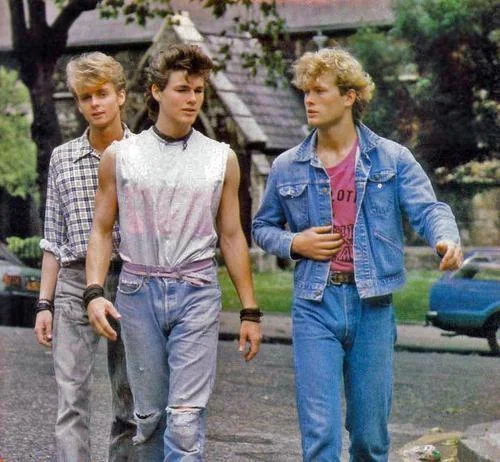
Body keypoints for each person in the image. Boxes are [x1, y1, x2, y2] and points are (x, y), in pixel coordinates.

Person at [252, 47, 463, 462]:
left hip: (373, 305)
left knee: (369, 439)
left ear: (349, 96)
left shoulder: (392, 158)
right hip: (315, 304)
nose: (309, 100)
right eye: (305, 92)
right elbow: (261, 228)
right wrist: (295, 244)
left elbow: (429, 209)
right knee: (321, 437)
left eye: (319, 90)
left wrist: (445, 238)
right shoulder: (287, 166)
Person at [84, 43, 262, 460]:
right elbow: (102, 228)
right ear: (156, 91)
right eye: (183, 89)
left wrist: (250, 310)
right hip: (137, 292)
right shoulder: (121, 156)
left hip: (196, 289)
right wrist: (94, 292)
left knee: (184, 419)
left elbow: (233, 236)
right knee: (147, 419)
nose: (192, 99)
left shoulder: (220, 159)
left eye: (199, 90)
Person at [34, 52, 136, 461]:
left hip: (130, 280)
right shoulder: (62, 158)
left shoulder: (143, 154)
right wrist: (44, 303)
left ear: (121, 96)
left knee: (130, 400)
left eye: (102, 94)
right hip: (75, 283)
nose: (94, 104)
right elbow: (53, 239)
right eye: (84, 97)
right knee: (71, 398)